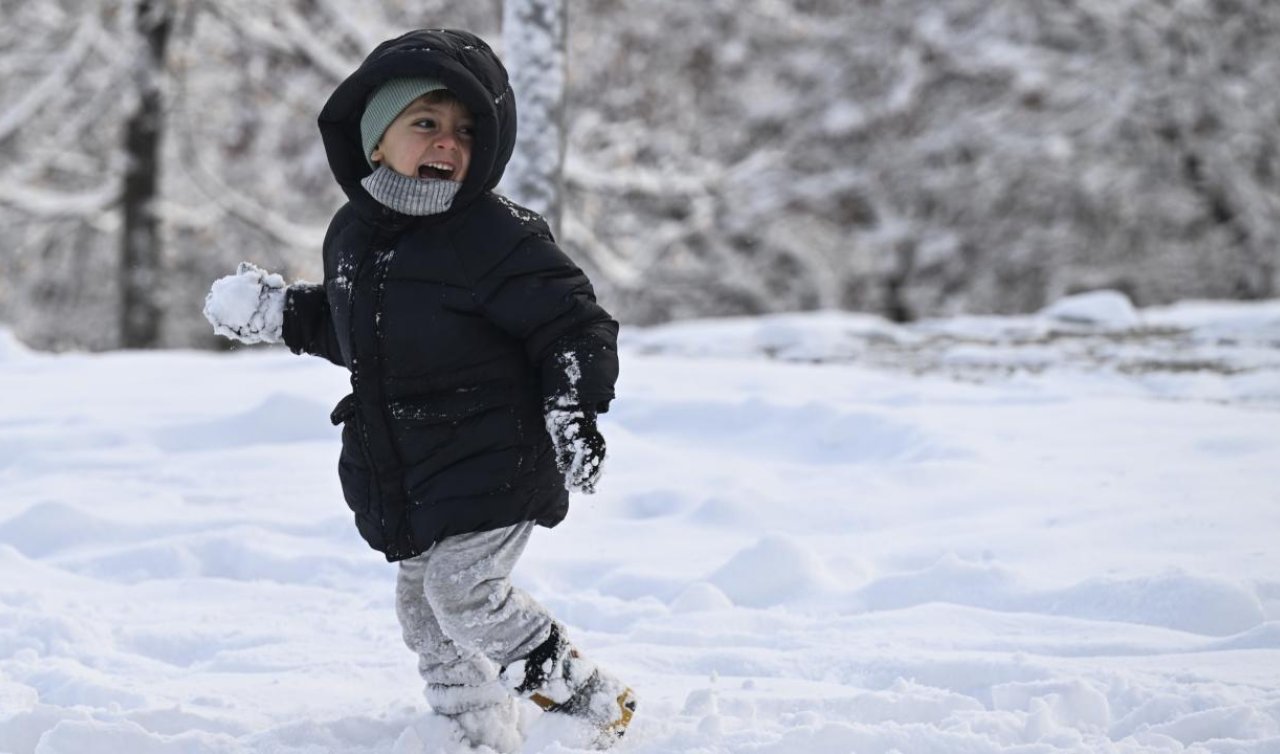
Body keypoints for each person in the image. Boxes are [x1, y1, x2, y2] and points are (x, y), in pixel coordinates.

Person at [202, 28, 634, 752]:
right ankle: (471, 730)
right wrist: (282, 312)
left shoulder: (496, 236)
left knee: (464, 594)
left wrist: (571, 406)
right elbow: (362, 335)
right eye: (426, 123)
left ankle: (591, 704)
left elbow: (572, 323)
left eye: (466, 131)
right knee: (424, 610)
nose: (448, 142)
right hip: (417, 468)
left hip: (498, 456)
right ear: (377, 138)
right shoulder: (353, 235)